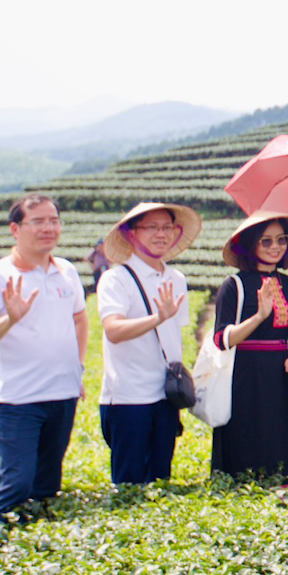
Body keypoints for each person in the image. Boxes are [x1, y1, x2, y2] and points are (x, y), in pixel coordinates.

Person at [0, 194, 87, 553]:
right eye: (38, 221)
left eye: (53, 220)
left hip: (62, 394)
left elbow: (79, 319)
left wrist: (78, 369)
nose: (49, 228)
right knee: (17, 481)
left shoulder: (66, 270)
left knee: (47, 482)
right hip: (18, 399)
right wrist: (11, 319)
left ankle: (30, 559)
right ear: (15, 229)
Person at [95, 201, 197, 485]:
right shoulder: (116, 279)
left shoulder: (176, 278)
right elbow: (113, 330)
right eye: (151, 227)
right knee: (130, 484)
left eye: (167, 227)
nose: (161, 234)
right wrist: (157, 317)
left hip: (166, 395)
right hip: (129, 398)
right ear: (131, 234)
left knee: (161, 480)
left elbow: (174, 335)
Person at [211, 212, 288, 492]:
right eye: (266, 242)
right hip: (245, 375)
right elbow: (222, 338)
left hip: (278, 375)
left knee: (280, 434)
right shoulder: (235, 285)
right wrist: (259, 316)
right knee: (246, 436)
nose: (275, 247)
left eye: (281, 240)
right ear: (250, 246)